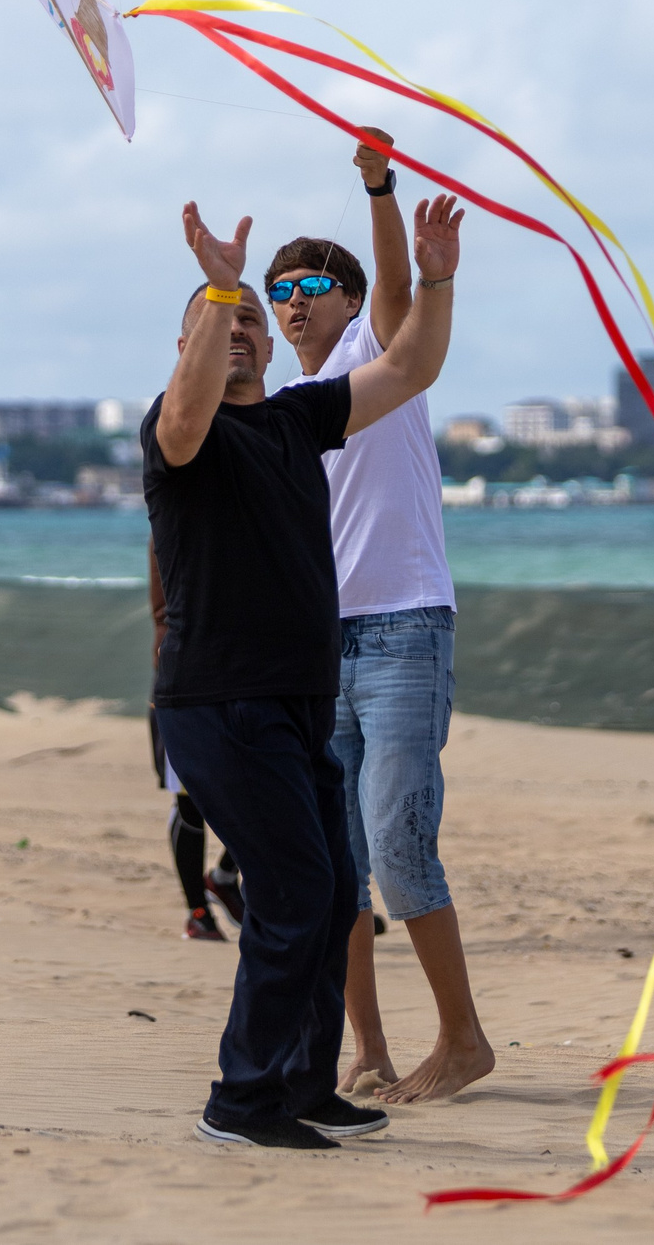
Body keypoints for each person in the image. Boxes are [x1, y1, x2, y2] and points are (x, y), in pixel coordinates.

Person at [144, 190, 463, 1151]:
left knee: (331, 894)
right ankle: (241, 1102)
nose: (242, 326)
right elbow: (193, 402)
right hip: (220, 701)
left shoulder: (295, 419)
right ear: (191, 336)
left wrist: (437, 277)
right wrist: (219, 281)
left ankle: (305, 1081)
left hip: (297, 699)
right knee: (288, 894)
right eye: (221, 319)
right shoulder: (180, 432)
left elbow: (410, 366)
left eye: (252, 320)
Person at [268, 128, 495, 1105]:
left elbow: (402, 297)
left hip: (405, 630)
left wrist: (379, 188)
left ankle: (464, 1038)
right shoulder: (286, 404)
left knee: (401, 848)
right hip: (325, 651)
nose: (291, 307)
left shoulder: (375, 351)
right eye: (279, 295)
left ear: (350, 304)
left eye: (308, 290)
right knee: (339, 867)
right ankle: (368, 1049)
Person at [145, 545, 241, 942]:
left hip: (242, 667)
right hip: (183, 672)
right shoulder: (173, 501)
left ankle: (223, 877)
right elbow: (167, 607)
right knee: (188, 800)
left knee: (265, 787)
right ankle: (197, 911)